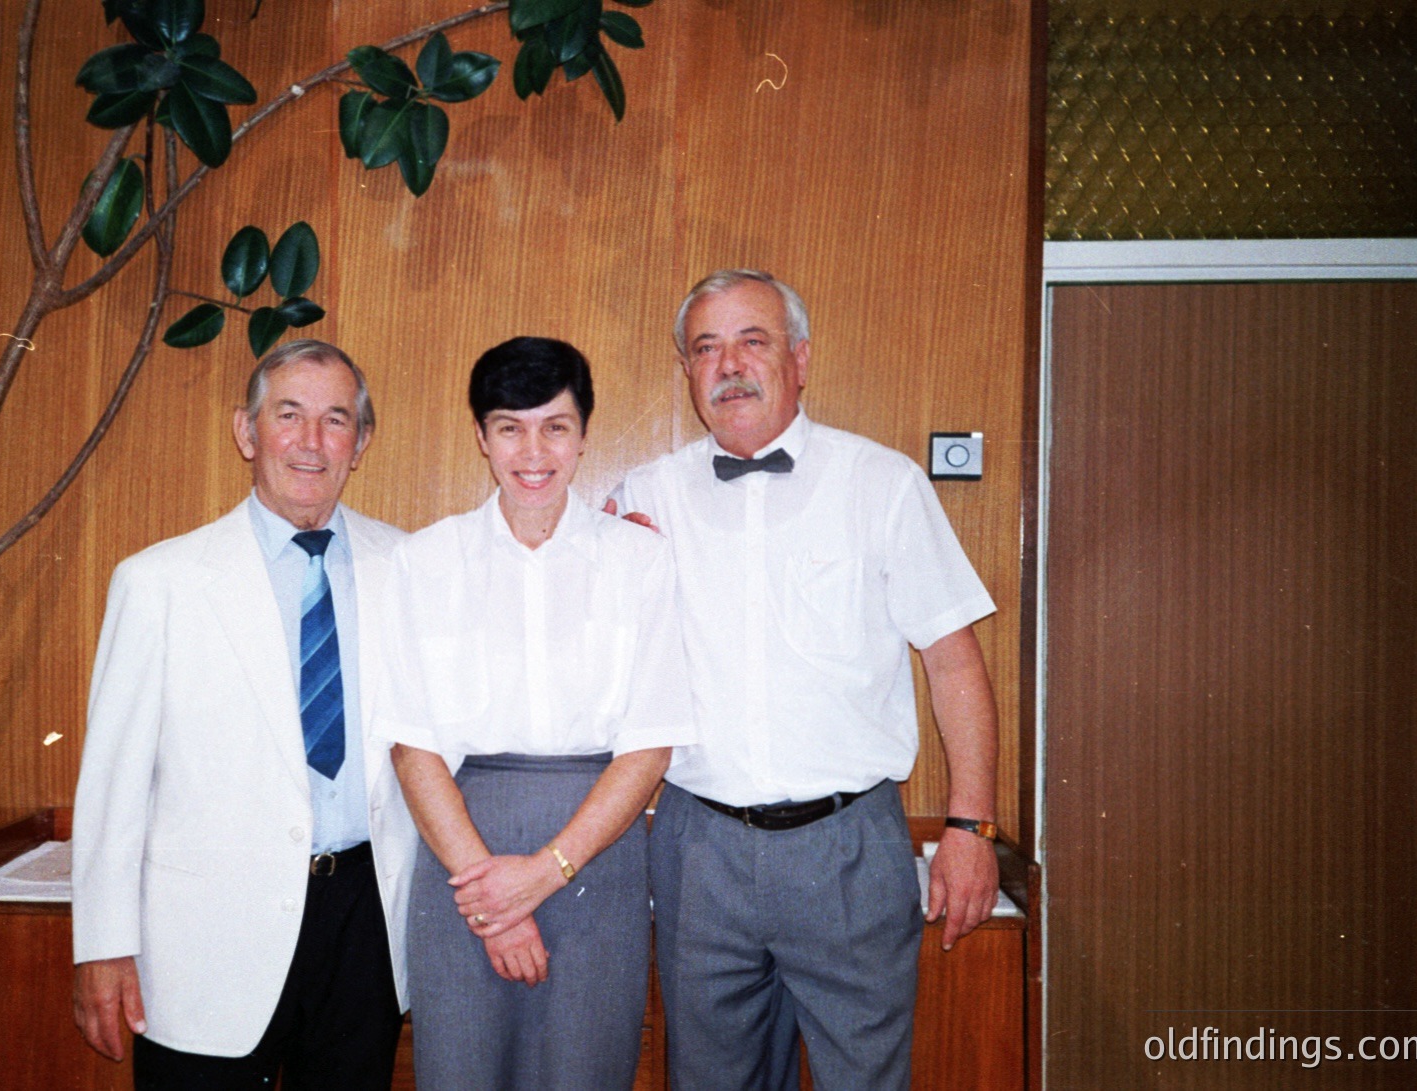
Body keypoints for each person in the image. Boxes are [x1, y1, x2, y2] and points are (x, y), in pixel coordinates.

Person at [609, 270, 1001, 1090]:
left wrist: (970, 826)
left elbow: (953, 657)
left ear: (800, 358)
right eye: (705, 348)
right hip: (697, 847)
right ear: (685, 370)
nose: (728, 365)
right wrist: (603, 565)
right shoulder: (642, 499)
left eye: (751, 340)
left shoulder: (882, 483)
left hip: (848, 849)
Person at [70, 339, 417, 1090]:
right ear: (246, 431)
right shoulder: (159, 582)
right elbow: (112, 782)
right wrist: (101, 942)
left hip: (365, 925)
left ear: (360, 444)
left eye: (335, 419)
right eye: (287, 414)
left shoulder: (413, 569)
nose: (310, 440)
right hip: (206, 939)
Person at [373, 336, 695, 1090]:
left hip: (597, 853)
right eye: (509, 427)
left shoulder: (638, 561)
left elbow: (650, 746)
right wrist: (496, 900)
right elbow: (412, 746)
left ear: (584, 435)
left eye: (555, 425)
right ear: (481, 438)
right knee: (460, 1071)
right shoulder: (426, 561)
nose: (533, 450)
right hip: (462, 858)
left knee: (586, 1072)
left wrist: (547, 872)